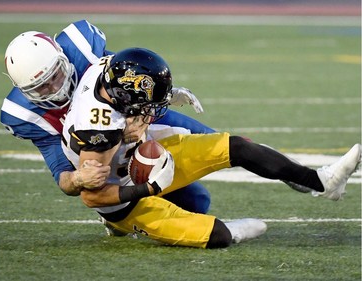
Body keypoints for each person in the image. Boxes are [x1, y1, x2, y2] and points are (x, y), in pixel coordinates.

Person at [61, 47, 361, 248]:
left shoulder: (107, 68)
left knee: (236, 147)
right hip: (125, 199)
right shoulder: (97, 132)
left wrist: (166, 93)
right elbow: (93, 196)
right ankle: (124, 226)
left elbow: (135, 89)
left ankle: (323, 183)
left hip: (145, 154)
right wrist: (149, 189)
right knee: (217, 236)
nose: (152, 109)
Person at [1, 21, 214, 213]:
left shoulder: (82, 48)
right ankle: (117, 220)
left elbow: (131, 79)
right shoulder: (24, 115)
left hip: (132, 117)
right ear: (24, 91)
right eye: (40, 88)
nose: (55, 89)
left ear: (63, 57)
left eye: (55, 76)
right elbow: (62, 173)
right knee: (194, 202)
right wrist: (77, 179)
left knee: (214, 144)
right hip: (107, 156)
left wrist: (143, 116)